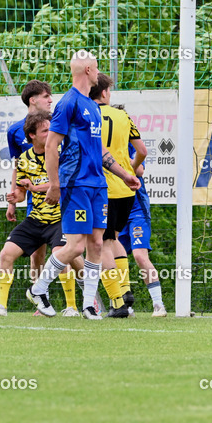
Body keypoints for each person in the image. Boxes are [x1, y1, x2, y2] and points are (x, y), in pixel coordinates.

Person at [25, 50, 140, 320]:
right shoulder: (68, 103)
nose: (99, 73)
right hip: (75, 183)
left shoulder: (91, 106)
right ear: (88, 70)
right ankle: (39, 289)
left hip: (99, 184)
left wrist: (124, 175)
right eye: (97, 68)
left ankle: (89, 304)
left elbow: (98, 149)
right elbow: (52, 145)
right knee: (76, 245)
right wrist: (54, 185)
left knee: (98, 243)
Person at [0, 111, 74, 316]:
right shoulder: (23, 159)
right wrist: (15, 197)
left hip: (60, 217)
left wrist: (34, 188)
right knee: (6, 254)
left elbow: (59, 185)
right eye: (45, 131)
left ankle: (71, 307)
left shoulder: (62, 153)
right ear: (32, 136)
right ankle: (1, 307)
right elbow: (22, 192)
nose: (51, 133)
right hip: (36, 218)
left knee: (59, 255)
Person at [5, 80, 78, 314]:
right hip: (35, 205)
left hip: (61, 200)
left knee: (67, 251)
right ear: (32, 100)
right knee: (37, 254)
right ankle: (40, 298)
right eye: (46, 96)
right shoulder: (15, 130)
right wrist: (15, 196)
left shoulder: (59, 124)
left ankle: (79, 299)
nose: (50, 100)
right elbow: (18, 166)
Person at [89, 74, 147, 316]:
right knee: (113, 240)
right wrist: (130, 171)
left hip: (102, 188)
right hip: (126, 189)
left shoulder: (88, 116)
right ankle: (125, 290)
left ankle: (116, 302)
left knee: (100, 244)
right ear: (104, 93)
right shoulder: (123, 116)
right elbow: (142, 150)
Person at [118, 163, 166, 317]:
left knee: (140, 255)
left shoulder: (129, 145)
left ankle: (158, 304)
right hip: (115, 209)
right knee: (114, 258)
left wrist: (118, 162)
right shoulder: (101, 146)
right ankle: (123, 305)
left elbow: (139, 170)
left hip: (136, 211)